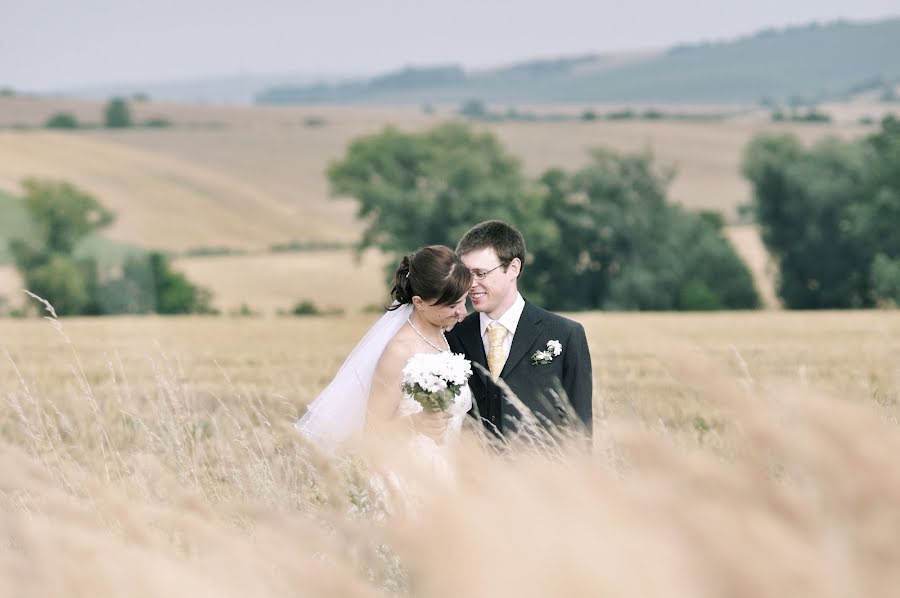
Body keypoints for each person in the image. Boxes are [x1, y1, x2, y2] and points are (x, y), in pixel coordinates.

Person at [295, 245, 472, 456]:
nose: (462, 312)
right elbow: (374, 433)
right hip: (409, 474)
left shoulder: (442, 337)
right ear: (419, 302)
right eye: (452, 306)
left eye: (464, 301)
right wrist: (417, 423)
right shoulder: (399, 351)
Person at [445, 220, 593, 441]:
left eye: (480, 273)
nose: (470, 284)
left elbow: (580, 429)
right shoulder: (452, 336)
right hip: (470, 471)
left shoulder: (566, 334)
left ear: (513, 268)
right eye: (465, 274)